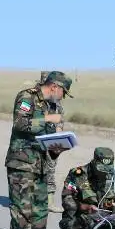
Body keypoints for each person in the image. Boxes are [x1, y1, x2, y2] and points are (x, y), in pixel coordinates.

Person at [4, 70, 72, 229]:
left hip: (42, 164)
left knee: (40, 210)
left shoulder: (50, 104)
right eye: (64, 92)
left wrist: (58, 147)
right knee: (23, 210)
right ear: (55, 87)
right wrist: (48, 119)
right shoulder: (27, 97)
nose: (63, 97)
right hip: (22, 164)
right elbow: (20, 123)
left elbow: (47, 139)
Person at [58, 147, 115, 229]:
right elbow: (67, 197)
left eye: (107, 169)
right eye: (101, 169)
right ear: (94, 162)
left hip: (107, 215)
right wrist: (85, 207)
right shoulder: (77, 174)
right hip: (86, 215)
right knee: (71, 225)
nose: (104, 173)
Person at [37, 70, 68, 214]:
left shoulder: (56, 103)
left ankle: (49, 201)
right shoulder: (37, 101)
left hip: (52, 142)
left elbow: (60, 119)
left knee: (51, 169)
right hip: (37, 142)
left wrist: (60, 133)